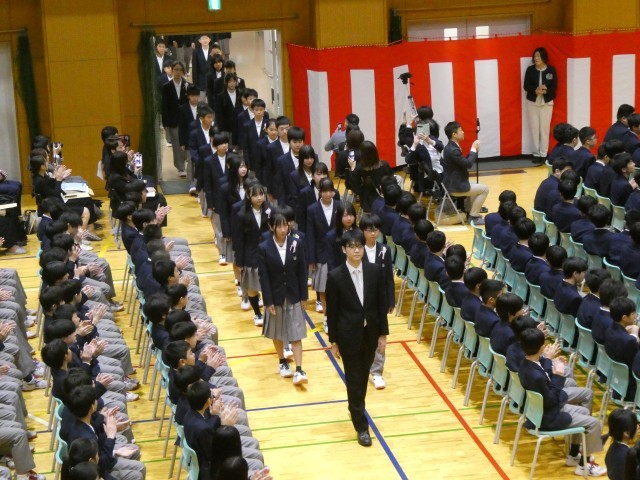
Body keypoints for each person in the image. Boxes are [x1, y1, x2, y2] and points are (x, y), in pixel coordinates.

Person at [326, 229, 389, 447]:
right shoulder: (335, 276)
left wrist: (383, 334)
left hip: (370, 334)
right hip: (348, 336)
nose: (356, 250)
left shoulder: (374, 271)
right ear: (344, 249)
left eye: (360, 246)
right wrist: (333, 341)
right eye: (352, 247)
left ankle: (355, 406)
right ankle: (361, 426)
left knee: (362, 378)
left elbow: (380, 304)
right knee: (354, 381)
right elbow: (332, 312)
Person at [518, 328, 606, 476]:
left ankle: (574, 454)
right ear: (542, 347)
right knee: (594, 423)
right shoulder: (536, 376)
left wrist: (550, 361)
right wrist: (558, 375)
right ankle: (584, 465)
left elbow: (541, 370)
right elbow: (551, 400)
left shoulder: (525, 363)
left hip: (540, 411)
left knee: (585, 411)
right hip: (548, 417)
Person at [257, 213, 309, 385]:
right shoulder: (264, 247)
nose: (283, 229)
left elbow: (302, 271)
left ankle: (299, 369)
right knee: (277, 331)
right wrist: (268, 301)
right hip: (275, 296)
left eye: (285, 225)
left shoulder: (296, 244)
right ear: (272, 227)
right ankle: (282, 360)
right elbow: (264, 277)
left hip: (294, 294)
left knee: (296, 332)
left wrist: (304, 296)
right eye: (279, 226)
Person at [360, 214, 394, 390]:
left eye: (375, 230)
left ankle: (377, 372)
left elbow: (388, 277)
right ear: (362, 231)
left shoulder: (385, 250)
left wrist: (390, 299)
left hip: (379, 301)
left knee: (380, 335)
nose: (373, 233)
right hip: (361, 300)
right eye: (369, 230)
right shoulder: (357, 250)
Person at [441, 121, 489, 224]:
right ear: (454, 134)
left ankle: (469, 211)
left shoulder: (451, 146)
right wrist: (473, 149)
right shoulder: (453, 150)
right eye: (460, 130)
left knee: (478, 185)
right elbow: (468, 164)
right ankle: (474, 217)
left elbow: (463, 162)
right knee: (485, 189)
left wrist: (474, 151)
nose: (463, 132)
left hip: (453, 182)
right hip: (456, 186)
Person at [523, 47, 558, 164]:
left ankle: (543, 154)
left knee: (544, 129)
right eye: (535, 56)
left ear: (544, 57)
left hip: (546, 103)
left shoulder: (551, 70)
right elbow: (526, 86)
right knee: (534, 129)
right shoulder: (530, 70)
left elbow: (554, 87)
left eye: (538, 56)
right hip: (532, 103)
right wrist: (535, 90)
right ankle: (536, 154)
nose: (536, 58)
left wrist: (545, 90)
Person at [349, 141, 393, 213]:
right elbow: (392, 182)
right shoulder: (385, 165)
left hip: (368, 203)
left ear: (362, 155)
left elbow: (356, 189)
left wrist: (352, 169)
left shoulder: (359, 169)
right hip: (388, 199)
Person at [161, 61, 188, 177]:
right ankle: (180, 167)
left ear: (183, 71)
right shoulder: (166, 87)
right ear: (172, 71)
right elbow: (164, 105)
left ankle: (186, 162)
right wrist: (165, 123)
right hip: (173, 120)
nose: (178, 72)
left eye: (180, 70)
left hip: (186, 120)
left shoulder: (187, 85)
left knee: (186, 143)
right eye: (176, 69)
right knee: (176, 144)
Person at [604, 408, 637, 480]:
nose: (638, 428)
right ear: (626, 433)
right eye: (636, 426)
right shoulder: (628, 455)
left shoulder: (612, 447)